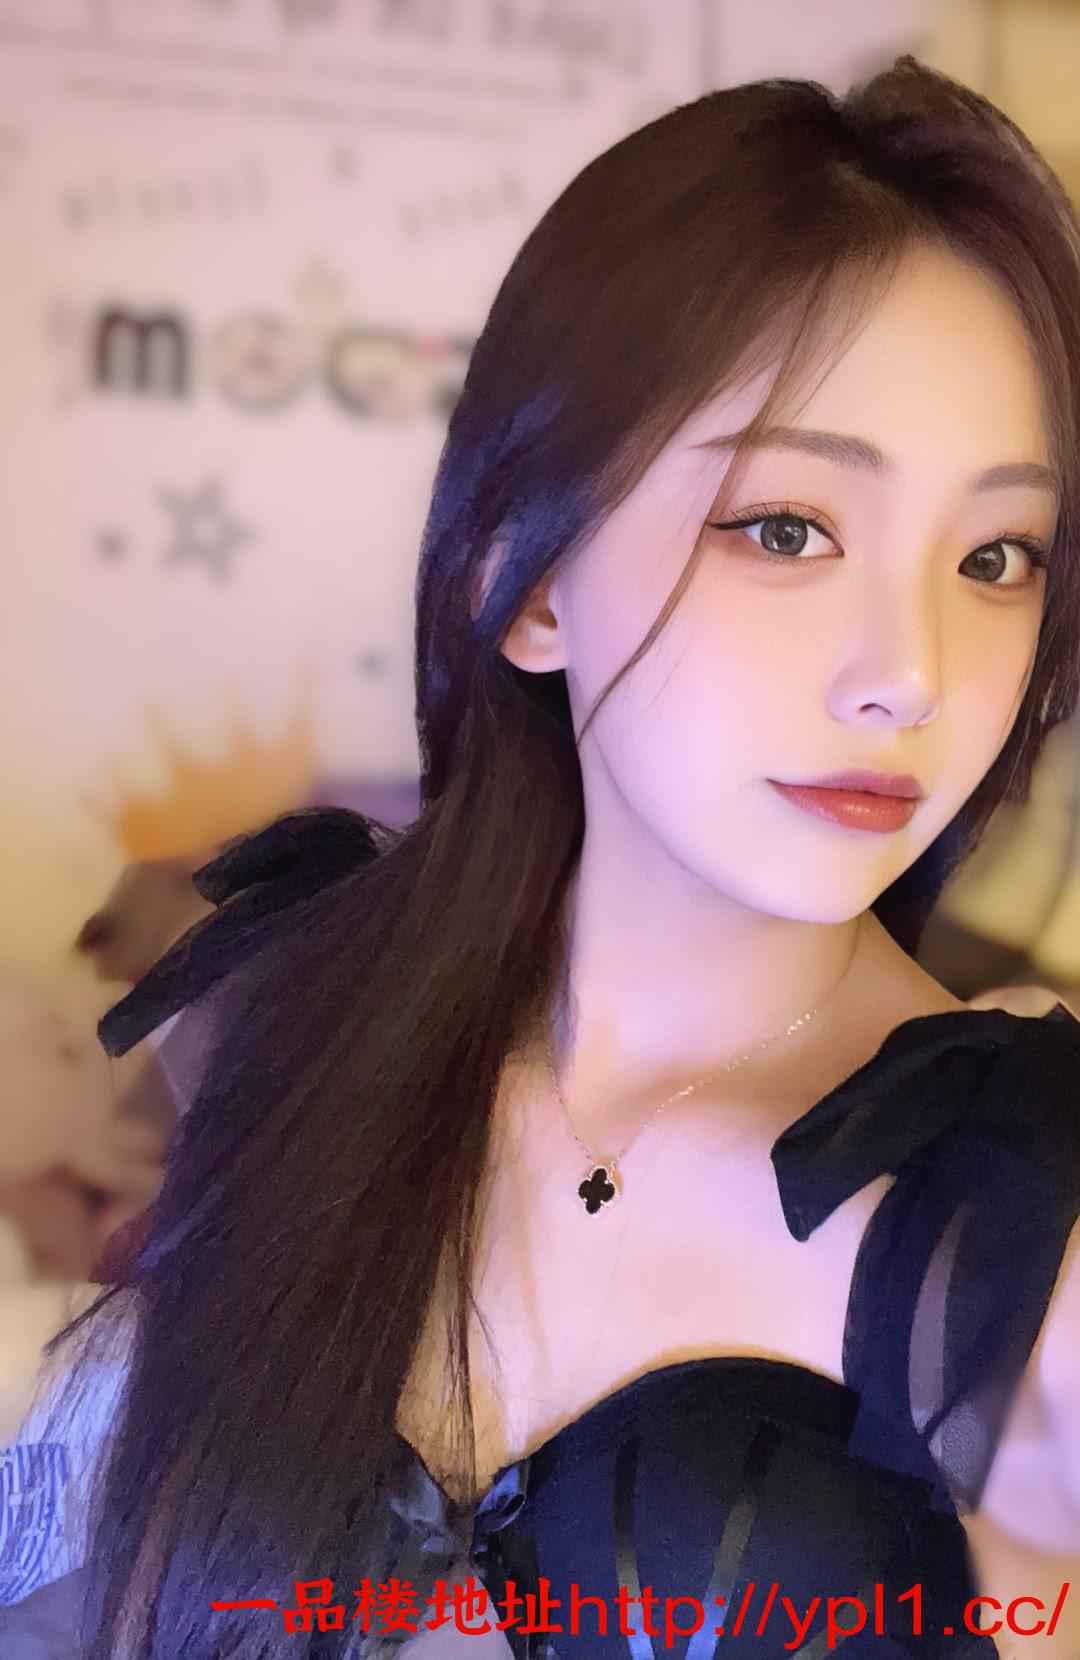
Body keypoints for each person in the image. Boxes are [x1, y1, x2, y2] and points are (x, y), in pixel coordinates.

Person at [4, 53, 1080, 1660]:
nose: (911, 674)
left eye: (997, 556)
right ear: (527, 580)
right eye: (788, 529)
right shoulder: (285, 1024)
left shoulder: (1027, 1247)